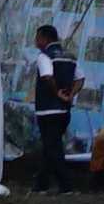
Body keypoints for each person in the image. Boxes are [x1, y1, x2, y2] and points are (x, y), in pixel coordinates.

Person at [20, 23, 81, 186]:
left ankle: (65, 183)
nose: (35, 41)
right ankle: (42, 182)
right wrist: (71, 95)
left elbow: (47, 77)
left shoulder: (44, 56)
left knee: (52, 147)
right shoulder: (70, 56)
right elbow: (80, 78)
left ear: (45, 38)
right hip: (64, 110)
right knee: (50, 146)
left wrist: (57, 93)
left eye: (37, 37)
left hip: (47, 109)